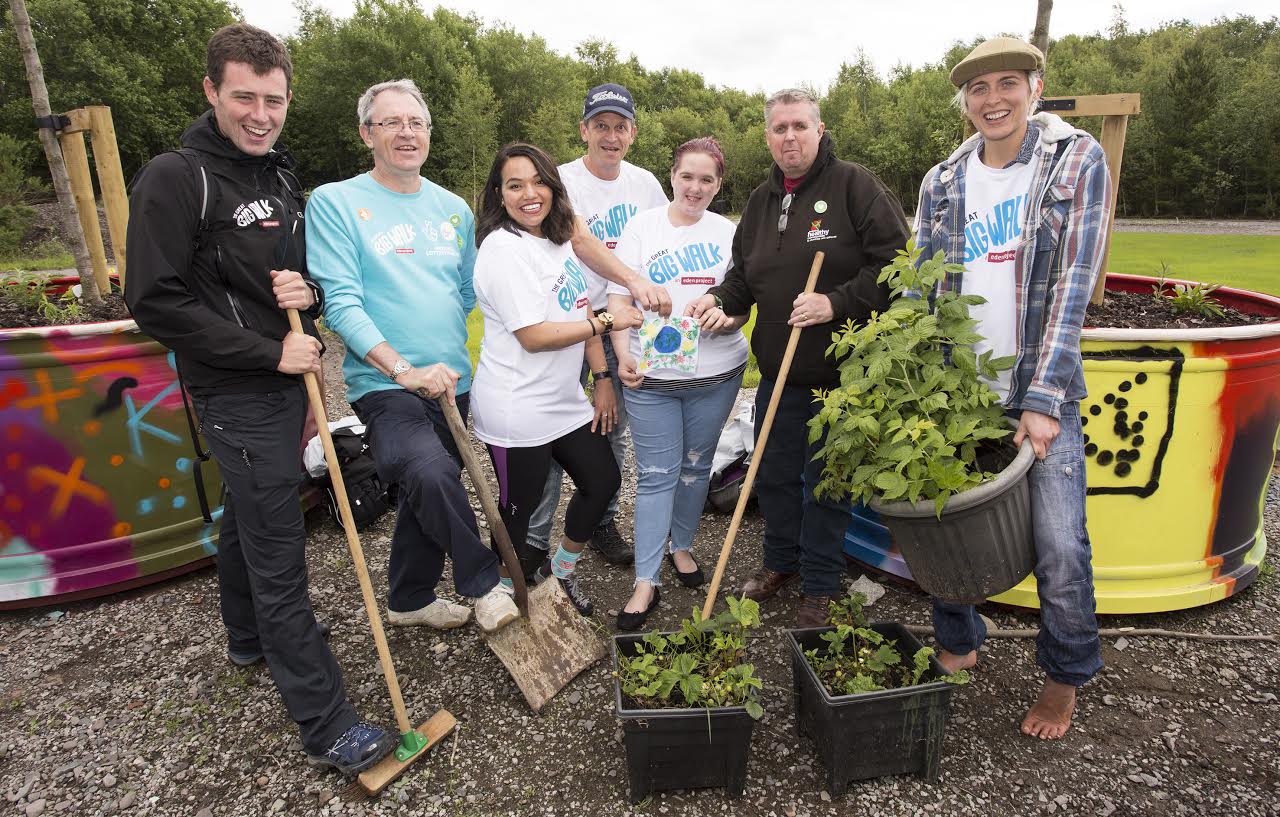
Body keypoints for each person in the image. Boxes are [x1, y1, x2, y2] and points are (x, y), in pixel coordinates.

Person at [125, 23, 394, 775]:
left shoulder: (277, 178)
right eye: (243, 96)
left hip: (286, 385)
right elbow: (155, 300)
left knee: (250, 512)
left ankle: (245, 636)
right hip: (235, 391)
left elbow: (284, 284)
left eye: (273, 99)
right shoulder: (176, 178)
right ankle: (327, 720)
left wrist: (302, 295)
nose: (259, 113)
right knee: (281, 552)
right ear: (211, 91)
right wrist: (271, 349)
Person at [916, 37, 1108, 740]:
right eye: (977, 89)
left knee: (1060, 543)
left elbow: (1073, 282)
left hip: (1036, 383)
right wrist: (916, 388)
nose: (991, 99)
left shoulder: (1074, 160)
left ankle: (1063, 678)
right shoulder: (942, 180)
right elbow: (922, 286)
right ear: (964, 102)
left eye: (1006, 83)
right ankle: (959, 640)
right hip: (959, 391)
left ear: (1035, 86)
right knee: (941, 522)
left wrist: (1043, 396)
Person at [687, 88, 910, 627]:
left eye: (799, 126)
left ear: (819, 129)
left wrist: (835, 301)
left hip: (842, 379)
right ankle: (780, 564)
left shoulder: (855, 186)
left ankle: (820, 582)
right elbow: (745, 274)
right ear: (767, 136)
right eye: (779, 128)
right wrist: (720, 298)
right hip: (779, 374)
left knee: (826, 484)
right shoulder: (763, 202)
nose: (790, 136)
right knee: (776, 476)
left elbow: (896, 261)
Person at [305, 79, 521, 635]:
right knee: (429, 471)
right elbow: (341, 304)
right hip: (385, 384)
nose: (406, 132)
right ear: (366, 134)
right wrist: (403, 368)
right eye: (391, 122)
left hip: (451, 380)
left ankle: (408, 598)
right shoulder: (336, 202)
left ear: (428, 133)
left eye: (416, 123)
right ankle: (483, 583)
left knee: (429, 491)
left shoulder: (451, 208)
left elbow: (470, 290)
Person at [470, 142, 645, 616]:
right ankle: (506, 591)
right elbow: (534, 335)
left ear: (553, 185)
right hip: (517, 410)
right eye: (515, 185)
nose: (530, 194)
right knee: (516, 509)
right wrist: (608, 324)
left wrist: (602, 374)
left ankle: (559, 574)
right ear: (498, 194)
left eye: (538, 181)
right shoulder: (502, 249)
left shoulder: (556, 238)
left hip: (563, 401)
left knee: (603, 480)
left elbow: (579, 304)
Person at [606, 137, 749, 631]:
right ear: (672, 175)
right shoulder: (642, 229)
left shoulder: (729, 233)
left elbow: (742, 301)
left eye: (706, 179)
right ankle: (645, 580)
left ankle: (681, 546)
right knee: (657, 474)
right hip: (651, 379)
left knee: (695, 467)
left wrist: (728, 321)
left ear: (718, 185)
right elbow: (618, 299)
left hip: (716, 376)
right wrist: (623, 357)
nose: (695, 187)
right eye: (687, 176)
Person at [525, 83, 670, 568]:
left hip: (618, 323)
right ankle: (533, 541)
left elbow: (657, 244)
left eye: (621, 126)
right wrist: (628, 278)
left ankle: (601, 521)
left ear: (632, 133)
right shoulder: (559, 180)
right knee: (547, 433)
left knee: (612, 427)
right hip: (563, 323)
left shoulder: (646, 184)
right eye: (601, 125)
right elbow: (581, 242)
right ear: (583, 129)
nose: (611, 136)